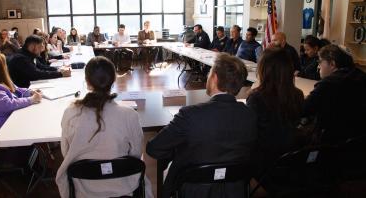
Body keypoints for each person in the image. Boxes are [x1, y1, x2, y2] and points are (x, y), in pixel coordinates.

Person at [146, 53, 257, 198]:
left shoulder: (190, 115)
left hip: (192, 189)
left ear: (215, 78)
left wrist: (179, 150)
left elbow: (154, 149)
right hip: (235, 188)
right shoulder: (250, 115)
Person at [55, 57, 153, 198]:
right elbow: (136, 154)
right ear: (113, 80)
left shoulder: (70, 113)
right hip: (123, 185)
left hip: (82, 185)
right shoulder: (130, 115)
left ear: (87, 82)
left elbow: (66, 152)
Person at [246, 48, 304, 184]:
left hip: (264, 160)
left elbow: (250, 131)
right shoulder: (298, 94)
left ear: (264, 70)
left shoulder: (257, 97)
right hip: (290, 155)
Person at [303, 44, 366, 144]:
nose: (318, 66)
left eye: (320, 62)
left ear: (332, 64)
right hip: (358, 141)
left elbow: (304, 109)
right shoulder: (361, 76)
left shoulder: (328, 83)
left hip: (330, 143)